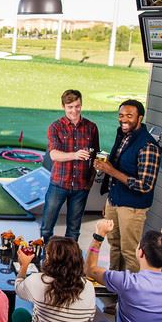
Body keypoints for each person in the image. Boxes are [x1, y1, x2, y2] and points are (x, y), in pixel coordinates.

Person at [94, 99, 160, 273]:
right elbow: (119, 169)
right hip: (115, 201)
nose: (124, 119)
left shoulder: (148, 146)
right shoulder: (124, 136)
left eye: (129, 116)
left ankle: (135, 292)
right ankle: (116, 284)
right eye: (121, 115)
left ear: (140, 118)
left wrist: (111, 170)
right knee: (114, 246)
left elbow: (145, 185)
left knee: (129, 251)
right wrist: (110, 199)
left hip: (132, 208)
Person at [85, 219, 162, 322]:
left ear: (141, 253)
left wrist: (99, 235)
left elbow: (90, 269)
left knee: (93, 312)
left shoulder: (127, 282)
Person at [40, 89, 100, 242]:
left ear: (81, 105)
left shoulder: (91, 128)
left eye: (77, 106)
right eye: (70, 107)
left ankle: (69, 263)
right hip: (58, 184)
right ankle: (45, 259)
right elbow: (53, 154)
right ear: (63, 107)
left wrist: (90, 181)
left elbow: (95, 155)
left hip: (81, 187)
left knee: (74, 230)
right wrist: (75, 155)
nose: (74, 110)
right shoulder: (55, 127)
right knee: (47, 228)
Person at [14, 237, 96, 322]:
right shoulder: (89, 286)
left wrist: (24, 266)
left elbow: (18, 288)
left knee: (19, 313)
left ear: (50, 259)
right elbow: (89, 321)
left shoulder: (38, 280)